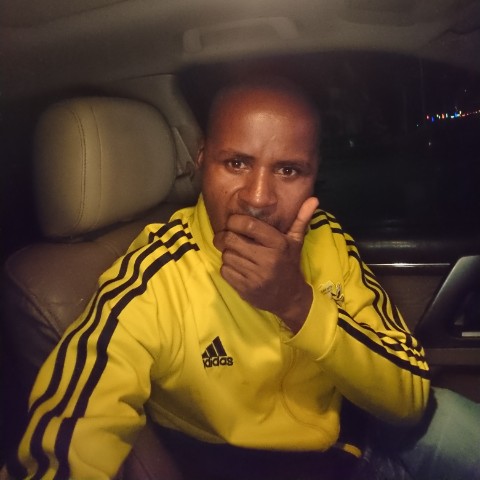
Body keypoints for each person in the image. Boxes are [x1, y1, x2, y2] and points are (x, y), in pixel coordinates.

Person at [11, 79, 479, 480]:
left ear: (314, 175)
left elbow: (409, 400)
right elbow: (76, 428)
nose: (257, 198)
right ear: (202, 159)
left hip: (363, 431)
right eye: (236, 163)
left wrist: (297, 304)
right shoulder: (151, 278)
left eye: (288, 170)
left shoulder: (327, 237)